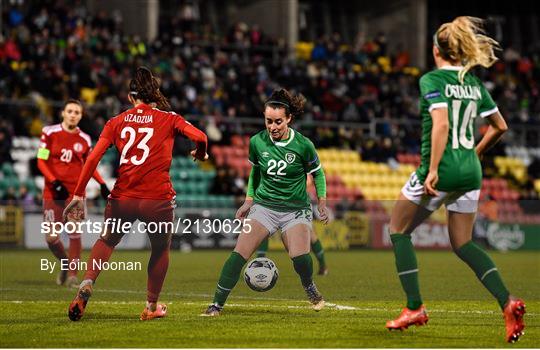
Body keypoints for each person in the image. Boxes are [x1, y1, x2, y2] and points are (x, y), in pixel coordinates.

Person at [385, 17, 525, 343]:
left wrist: (433, 169)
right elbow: (500, 126)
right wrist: (474, 154)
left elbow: (442, 124)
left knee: (398, 230)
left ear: (436, 50)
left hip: (442, 168)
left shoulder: (431, 79)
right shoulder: (474, 84)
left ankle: (414, 307)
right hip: (470, 171)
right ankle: (507, 302)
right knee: (463, 243)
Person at [63, 66, 208, 321]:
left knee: (107, 241)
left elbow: (92, 158)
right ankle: (151, 307)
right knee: (160, 250)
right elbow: (201, 136)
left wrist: (78, 194)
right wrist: (200, 152)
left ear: (131, 98)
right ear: (154, 94)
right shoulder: (170, 118)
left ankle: (87, 283)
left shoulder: (116, 122)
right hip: (157, 200)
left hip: (123, 198)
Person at [202, 88, 329, 316]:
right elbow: (255, 173)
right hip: (264, 206)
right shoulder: (257, 142)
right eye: (268, 121)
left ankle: (309, 285)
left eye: (278, 122)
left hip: (296, 210)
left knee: (300, 258)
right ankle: (216, 305)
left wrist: (321, 202)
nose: (273, 127)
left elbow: (318, 174)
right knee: (239, 253)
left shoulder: (304, 145)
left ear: (289, 119)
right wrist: (249, 201)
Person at [37, 99, 109, 288]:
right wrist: (53, 181)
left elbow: (89, 165)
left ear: (80, 116)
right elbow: (41, 161)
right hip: (53, 192)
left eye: (77, 112)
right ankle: (65, 262)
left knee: (75, 232)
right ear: (63, 113)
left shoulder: (84, 139)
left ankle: (72, 276)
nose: (73, 114)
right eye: (70, 111)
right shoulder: (49, 133)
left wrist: (102, 184)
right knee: (51, 238)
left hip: (76, 193)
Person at [255, 228, 328, 276]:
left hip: (297, 206)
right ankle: (260, 264)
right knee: (264, 230)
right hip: (275, 205)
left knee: (310, 232)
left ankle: (322, 266)